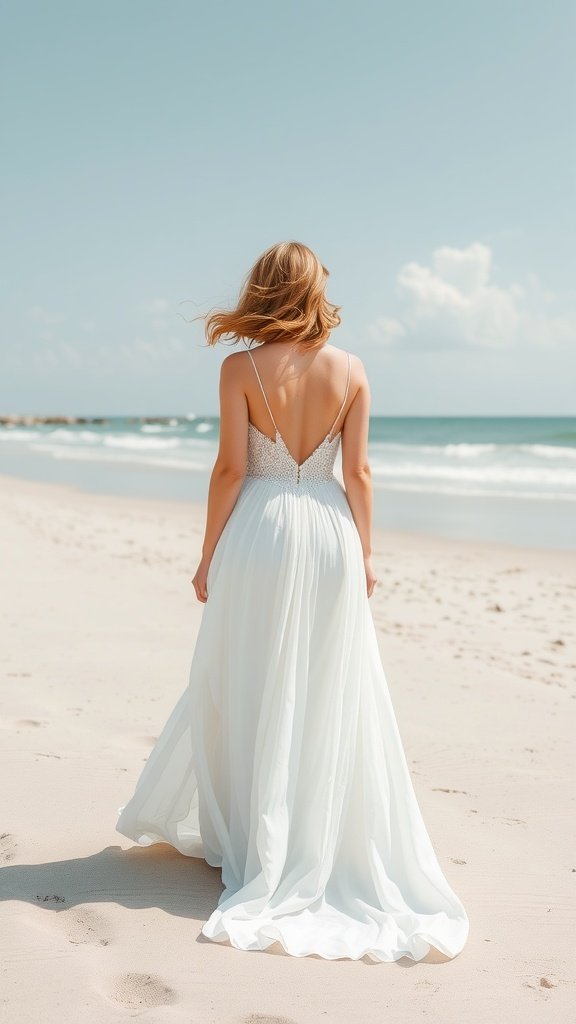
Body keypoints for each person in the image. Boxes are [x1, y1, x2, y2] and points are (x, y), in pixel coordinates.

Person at [116, 240, 469, 962]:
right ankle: (317, 833)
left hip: (263, 530)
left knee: (249, 677)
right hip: (332, 532)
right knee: (327, 687)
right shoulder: (353, 369)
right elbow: (361, 472)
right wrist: (365, 554)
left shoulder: (239, 368)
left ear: (263, 290)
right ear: (313, 290)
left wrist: (207, 551)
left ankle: (256, 833)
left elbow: (229, 468)